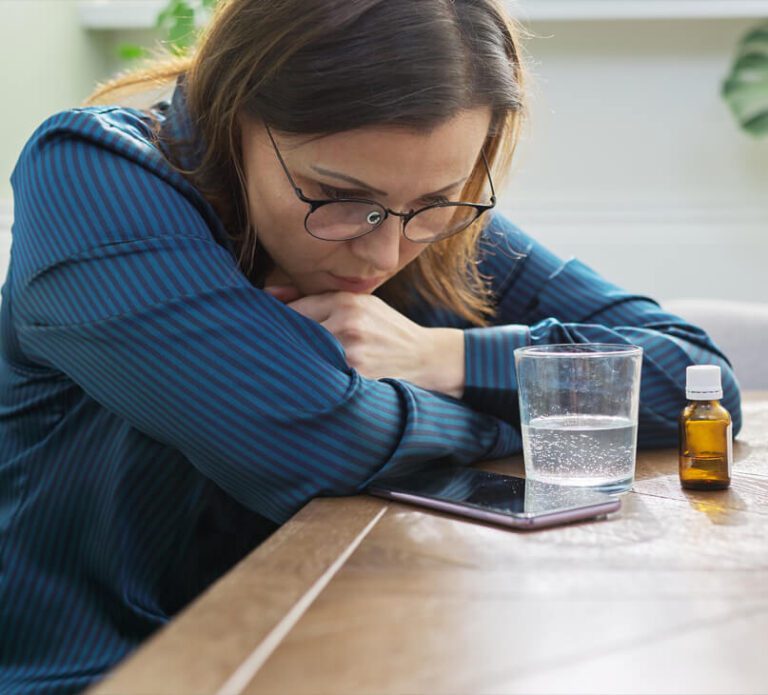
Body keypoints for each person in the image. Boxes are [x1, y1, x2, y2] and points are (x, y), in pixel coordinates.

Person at [0, 0, 741, 692]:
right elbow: (311, 439)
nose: (387, 251)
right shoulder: (92, 174)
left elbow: (697, 379)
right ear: (236, 112)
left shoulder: (424, 216)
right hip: (87, 672)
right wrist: (505, 415)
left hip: (319, 648)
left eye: (433, 203)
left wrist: (444, 359)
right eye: (338, 196)